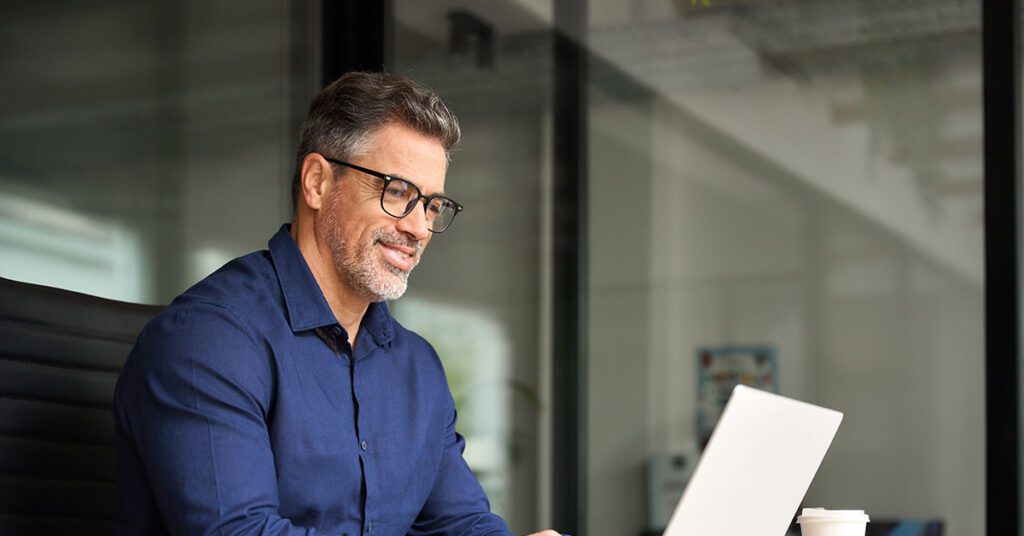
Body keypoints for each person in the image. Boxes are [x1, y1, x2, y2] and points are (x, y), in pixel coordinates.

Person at [113, 71, 560, 536]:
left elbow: (460, 523)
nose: (421, 228)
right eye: (399, 192)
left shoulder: (416, 369)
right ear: (317, 183)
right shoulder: (209, 339)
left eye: (431, 204)